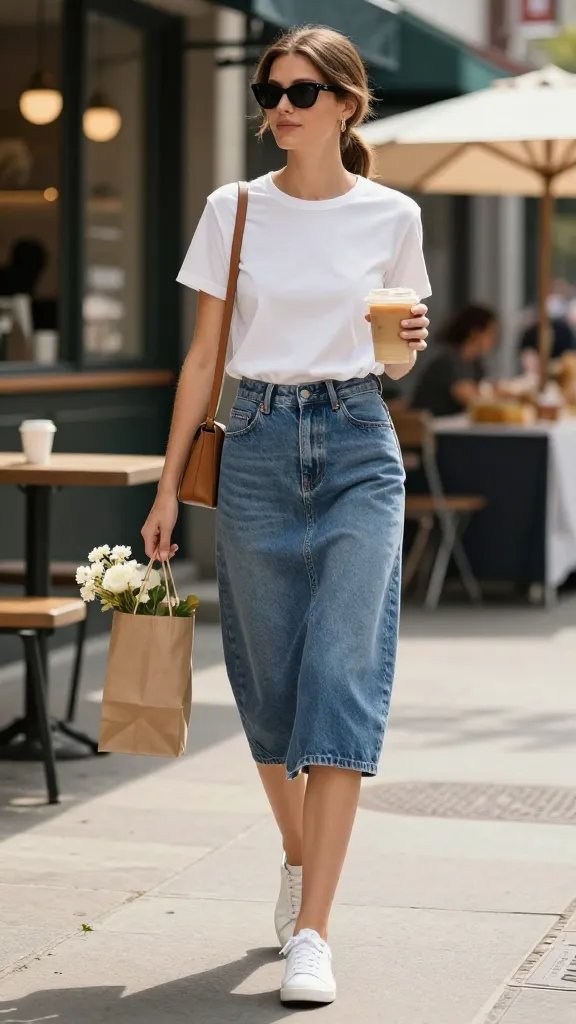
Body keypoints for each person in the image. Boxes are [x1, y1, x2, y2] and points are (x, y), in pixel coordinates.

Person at [141, 25, 430, 1007]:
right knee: (267, 689)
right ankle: (301, 856)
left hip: (357, 444)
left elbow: (398, 357)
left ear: (347, 104)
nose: (280, 106)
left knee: (342, 677)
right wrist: (165, 485)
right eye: (270, 89)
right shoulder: (235, 210)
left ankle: (316, 933)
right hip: (258, 445)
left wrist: (406, 347)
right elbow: (203, 357)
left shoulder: (392, 214)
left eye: (301, 92)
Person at [411, 303, 497, 417]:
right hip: (433, 427)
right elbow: (472, 399)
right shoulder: (448, 359)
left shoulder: (475, 364)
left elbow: (483, 390)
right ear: (475, 333)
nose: (494, 340)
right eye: (491, 333)